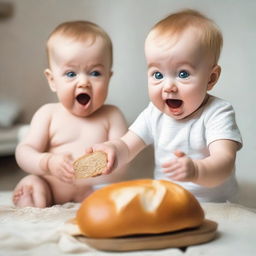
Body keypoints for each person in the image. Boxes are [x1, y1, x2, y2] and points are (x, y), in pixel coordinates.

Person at [87, 9, 243, 202]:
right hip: (166, 200)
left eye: (183, 74)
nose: (168, 86)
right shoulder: (154, 114)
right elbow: (127, 146)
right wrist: (112, 150)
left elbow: (224, 163)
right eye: (158, 75)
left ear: (211, 78)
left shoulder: (217, 113)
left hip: (213, 204)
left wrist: (196, 170)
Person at [12, 21, 127, 207]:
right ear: (52, 80)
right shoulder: (48, 114)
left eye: (95, 73)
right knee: (34, 185)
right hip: (50, 187)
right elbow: (24, 152)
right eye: (71, 74)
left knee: (114, 198)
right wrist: (47, 162)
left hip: (94, 190)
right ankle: (31, 198)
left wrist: (111, 159)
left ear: (108, 78)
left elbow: (125, 157)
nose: (83, 82)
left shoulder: (112, 116)